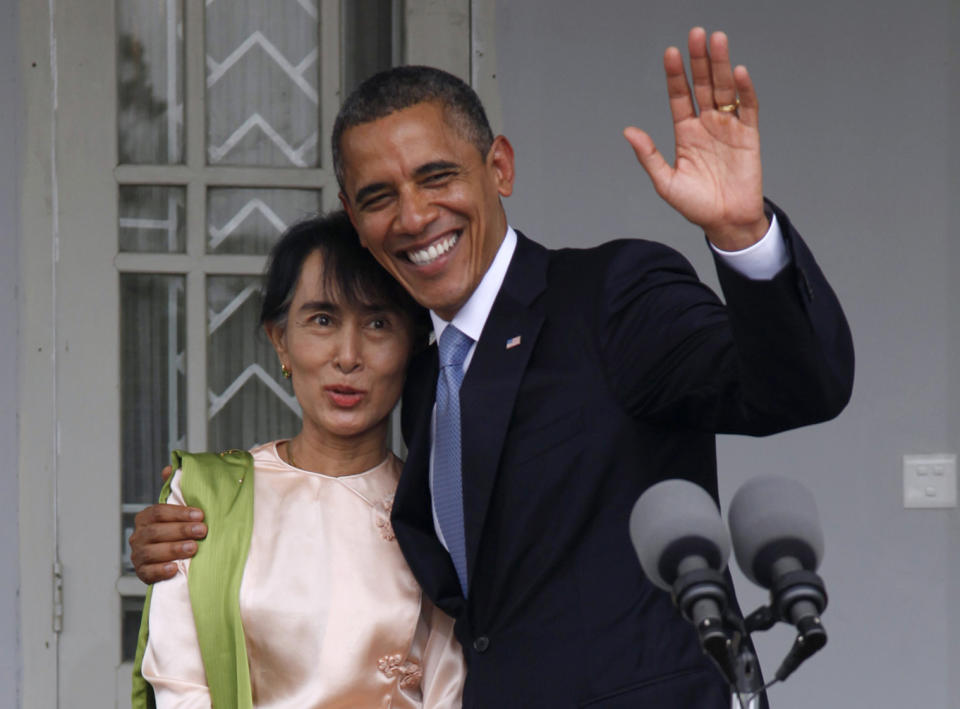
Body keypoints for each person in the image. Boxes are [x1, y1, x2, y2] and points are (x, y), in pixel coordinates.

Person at [131, 28, 854, 707]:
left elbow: (796, 388)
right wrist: (192, 549)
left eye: (436, 175)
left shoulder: (610, 295)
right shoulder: (416, 373)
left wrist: (743, 236)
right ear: (355, 216)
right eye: (379, 196)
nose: (413, 215)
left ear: (499, 166)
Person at [130, 212, 465, 708]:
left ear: (413, 347)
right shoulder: (206, 497)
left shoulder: (439, 512)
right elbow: (180, 685)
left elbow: (449, 690)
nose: (347, 356)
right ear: (280, 339)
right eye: (323, 320)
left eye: (377, 322)